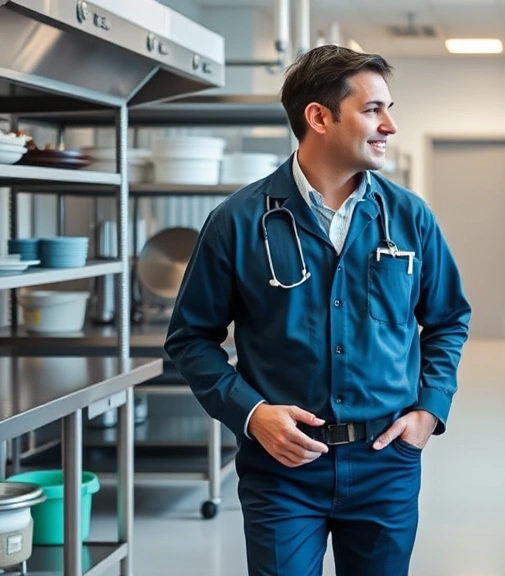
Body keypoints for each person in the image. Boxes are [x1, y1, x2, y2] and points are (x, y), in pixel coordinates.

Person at [164, 45, 471, 576]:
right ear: (319, 117)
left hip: (385, 462)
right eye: (373, 109)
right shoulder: (237, 222)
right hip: (281, 469)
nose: (389, 126)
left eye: (388, 109)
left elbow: (447, 320)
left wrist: (429, 410)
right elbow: (190, 339)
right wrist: (253, 414)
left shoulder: (409, 218)